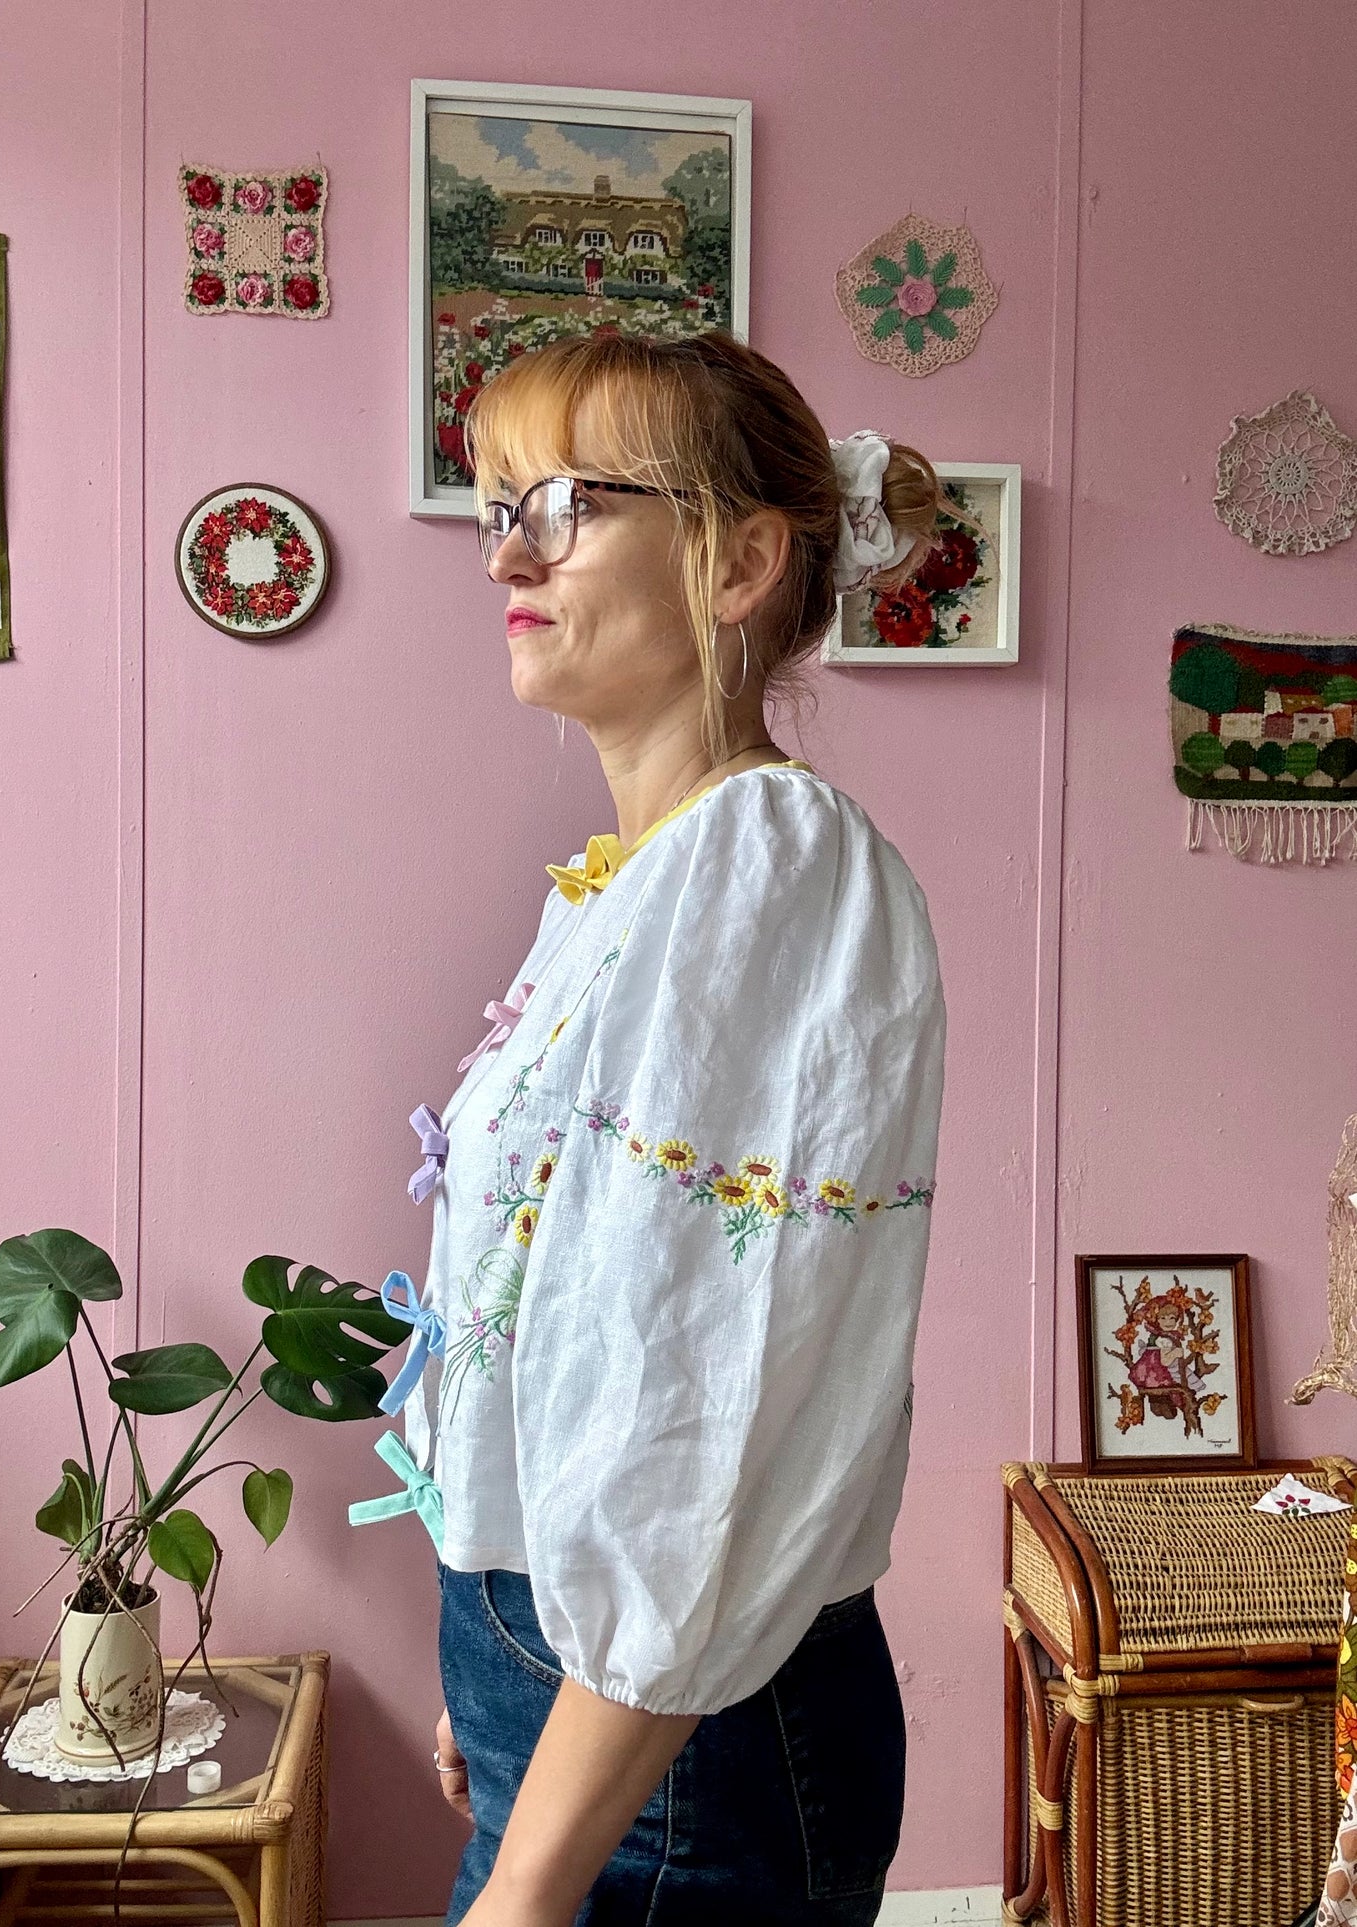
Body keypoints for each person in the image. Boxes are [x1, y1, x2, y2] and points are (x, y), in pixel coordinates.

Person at [354, 329, 949, 1925]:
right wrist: (495, 1660)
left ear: (741, 558)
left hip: (678, 1736)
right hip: (592, 1696)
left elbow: (706, 1416)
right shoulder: (635, 879)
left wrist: (533, 1874)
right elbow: (560, 1321)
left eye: (556, 503)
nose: (503, 553)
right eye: (493, 504)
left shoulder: (767, 861)